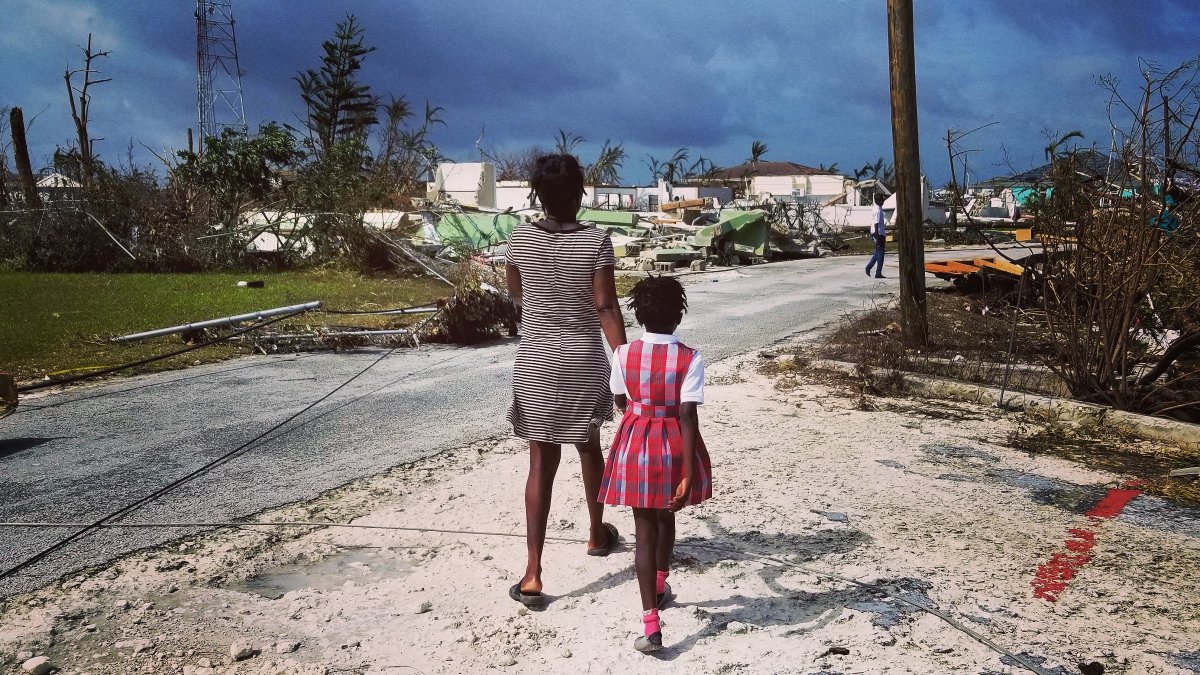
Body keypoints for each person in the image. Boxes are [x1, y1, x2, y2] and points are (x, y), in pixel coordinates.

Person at [504, 154, 628, 608]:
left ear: (538, 194)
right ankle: (597, 533)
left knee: (541, 460)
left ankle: (533, 573)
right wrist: (626, 363)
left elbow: (517, 293)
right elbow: (605, 307)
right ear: (579, 193)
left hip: (535, 359)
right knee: (589, 444)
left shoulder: (519, 239)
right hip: (581, 359)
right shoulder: (597, 242)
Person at [597, 275, 713, 653]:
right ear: (678, 316)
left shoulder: (623, 354)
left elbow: (619, 399)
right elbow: (688, 415)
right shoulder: (689, 357)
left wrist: (638, 408)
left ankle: (651, 625)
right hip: (675, 447)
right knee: (668, 517)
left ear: (638, 315)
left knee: (643, 532)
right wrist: (688, 473)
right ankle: (661, 584)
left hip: (635, 444)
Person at [865, 191, 887, 278]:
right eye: (880, 200)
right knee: (881, 253)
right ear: (876, 201)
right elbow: (876, 224)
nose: (882, 202)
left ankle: (869, 267)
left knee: (878, 252)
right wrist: (877, 237)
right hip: (878, 233)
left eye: (882, 200)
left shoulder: (877, 208)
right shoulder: (877, 210)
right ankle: (878, 272)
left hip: (880, 233)